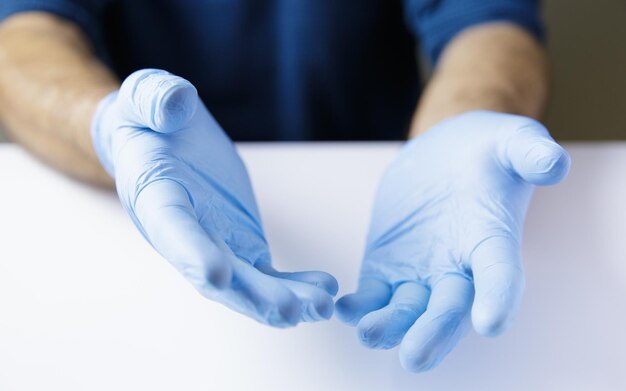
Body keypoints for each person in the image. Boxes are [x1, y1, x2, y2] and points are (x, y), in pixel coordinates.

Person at [0, 0, 570, 372]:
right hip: (131, 253)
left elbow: (488, 24)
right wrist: (107, 128)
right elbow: (26, 31)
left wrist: (459, 127)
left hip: (368, 203)